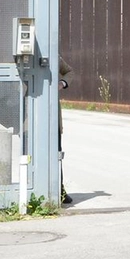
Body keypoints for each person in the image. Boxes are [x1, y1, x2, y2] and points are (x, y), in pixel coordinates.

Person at [58, 57, 72, 205]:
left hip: (53, 119)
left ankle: (59, 190)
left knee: (57, 154)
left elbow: (69, 72)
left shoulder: (54, 55)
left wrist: (62, 83)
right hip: (29, 117)